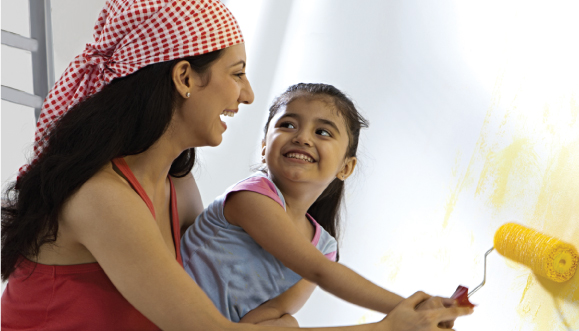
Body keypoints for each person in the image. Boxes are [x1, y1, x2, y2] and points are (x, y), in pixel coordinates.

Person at [1, 0, 472, 330]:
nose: (247, 95)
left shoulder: (176, 186)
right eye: (237, 73)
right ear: (185, 77)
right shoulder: (103, 198)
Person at [181, 83, 468, 327]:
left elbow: (266, 314)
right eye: (287, 125)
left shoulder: (325, 248)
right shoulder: (251, 197)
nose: (302, 137)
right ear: (264, 147)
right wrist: (411, 308)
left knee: (287, 322)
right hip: (167, 312)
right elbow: (321, 272)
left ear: (346, 167)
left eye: (323, 132)